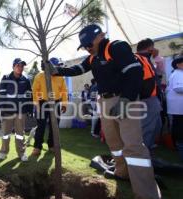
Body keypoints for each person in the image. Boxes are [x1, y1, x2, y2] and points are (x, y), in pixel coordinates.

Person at [51, 24, 161, 199]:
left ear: (100, 36)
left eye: (89, 44)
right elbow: (78, 69)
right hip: (105, 101)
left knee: (133, 146)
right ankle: (121, 172)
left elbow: (134, 72)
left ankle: (147, 194)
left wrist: (126, 99)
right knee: (114, 143)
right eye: (84, 46)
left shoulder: (116, 47)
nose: (87, 48)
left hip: (126, 100)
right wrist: (57, 71)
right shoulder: (93, 57)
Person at [0, 58, 33, 162]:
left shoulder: (26, 80)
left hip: (21, 112)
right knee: (5, 134)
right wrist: (2, 109)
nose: (20, 68)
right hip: (7, 111)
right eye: (18, 66)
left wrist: (30, 109)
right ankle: (3, 153)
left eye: (22, 66)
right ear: (13, 67)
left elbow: (29, 96)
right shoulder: (6, 78)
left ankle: (21, 153)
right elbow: (2, 94)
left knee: (20, 134)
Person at [31, 57, 68, 156]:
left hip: (56, 103)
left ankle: (52, 145)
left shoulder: (60, 77)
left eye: (58, 66)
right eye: (56, 65)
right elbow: (35, 92)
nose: (58, 68)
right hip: (42, 103)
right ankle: (37, 147)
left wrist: (64, 104)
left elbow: (64, 91)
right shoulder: (39, 76)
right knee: (41, 126)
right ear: (50, 66)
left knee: (54, 126)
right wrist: (37, 105)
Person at [136, 39, 162, 154]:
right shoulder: (139, 59)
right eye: (153, 48)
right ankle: (142, 156)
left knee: (157, 126)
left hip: (153, 99)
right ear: (150, 48)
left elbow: (158, 74)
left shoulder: (147, 59)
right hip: (146, 99)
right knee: (147, 129)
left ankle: (146, 152)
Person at [166, 56, 183, 161]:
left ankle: (178, 145)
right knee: (179, 127)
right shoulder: (178, 74)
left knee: (178, 126)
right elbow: (178, 88)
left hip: (178, 107)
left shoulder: (178, 73)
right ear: (178, 64)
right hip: (178, 107)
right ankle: (178, 146)